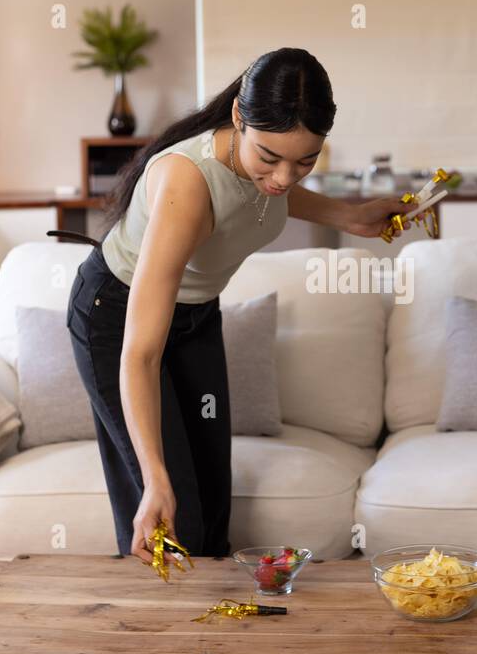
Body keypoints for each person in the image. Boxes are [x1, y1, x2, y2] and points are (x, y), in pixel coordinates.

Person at [66, 47, 414, 564]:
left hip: (197, 315)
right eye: (269, 158)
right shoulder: (187, 182)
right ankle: (156, 639)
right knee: (171, 517)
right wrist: (155, 479)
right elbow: (139, 354)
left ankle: (217, 641)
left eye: (305, 161)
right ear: (237, 118)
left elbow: (270, 193)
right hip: (117, 319)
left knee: (210, 503)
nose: (282, 178)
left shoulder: (268, 171)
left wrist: (352, 216)